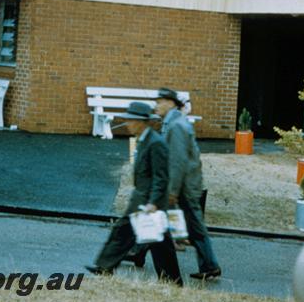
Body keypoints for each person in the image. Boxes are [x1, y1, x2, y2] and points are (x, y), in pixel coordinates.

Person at [86, 101, 182, 285]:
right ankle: (105, 267)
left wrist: (153, 202)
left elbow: (161, 177)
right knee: (128, 232)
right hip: (142, 197)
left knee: (157, 242)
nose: (128, 123)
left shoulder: (156, 143)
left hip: (149, 200)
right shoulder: (145, 139)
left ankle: (172, 281)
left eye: (131, 120)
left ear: (141, 122)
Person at [131, 87, 221, 280]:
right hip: (183, 184)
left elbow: (177, 161)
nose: (156, 106)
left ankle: (137, 252)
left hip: (182, 186)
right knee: (180, 224)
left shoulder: (176, 125)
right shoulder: (172, 122)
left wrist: (171, 190)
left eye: (160, 102)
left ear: (171, 103)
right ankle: (209, 265)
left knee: (180, 224)